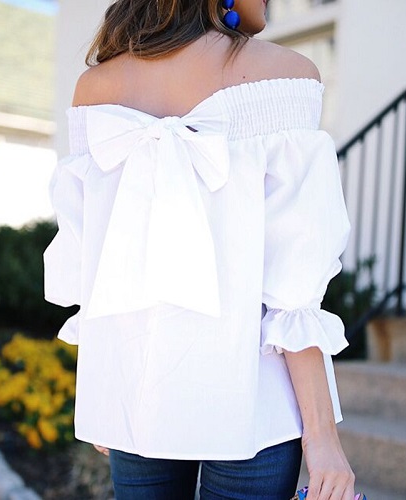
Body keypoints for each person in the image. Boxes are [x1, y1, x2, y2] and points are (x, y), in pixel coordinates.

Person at [44, 0, 355, 498]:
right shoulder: (286, 76)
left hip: (138, 400)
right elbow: (294, 284)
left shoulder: (95, 90)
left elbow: (90, 269)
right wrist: (322, 437)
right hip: (255, 405)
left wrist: (106, 395)